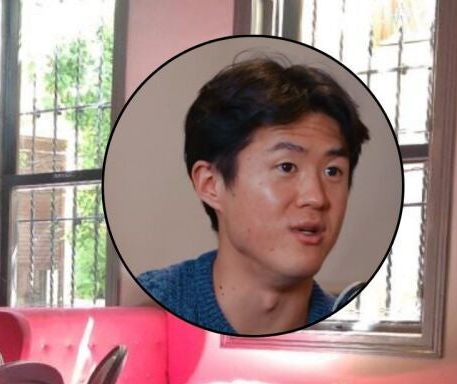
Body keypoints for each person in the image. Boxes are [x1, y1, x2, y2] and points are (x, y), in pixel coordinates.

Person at [137, 57, 370, 336]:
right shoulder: (150, 310)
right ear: (211, 185)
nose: (316, 197)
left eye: (332, 171)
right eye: (287, 167)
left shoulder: (349, 334)